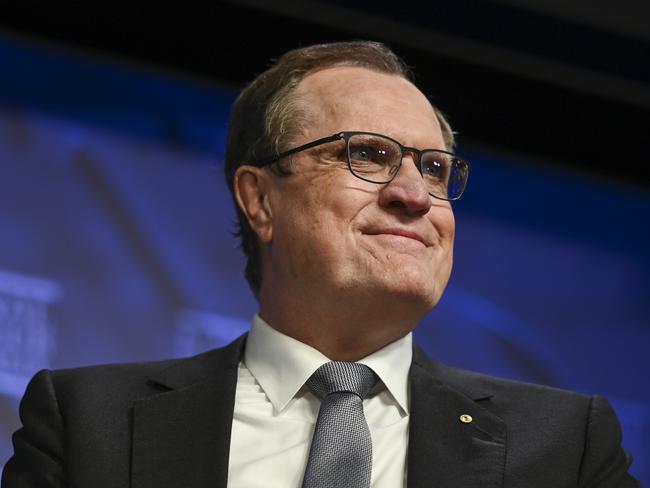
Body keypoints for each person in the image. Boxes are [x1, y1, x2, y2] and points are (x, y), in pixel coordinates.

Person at [1, 40, 640, 488]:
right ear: (259, 198)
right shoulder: (89, 424)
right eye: (367, 154)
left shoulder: (564, 448)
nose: (414, 195)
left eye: (435, 168)